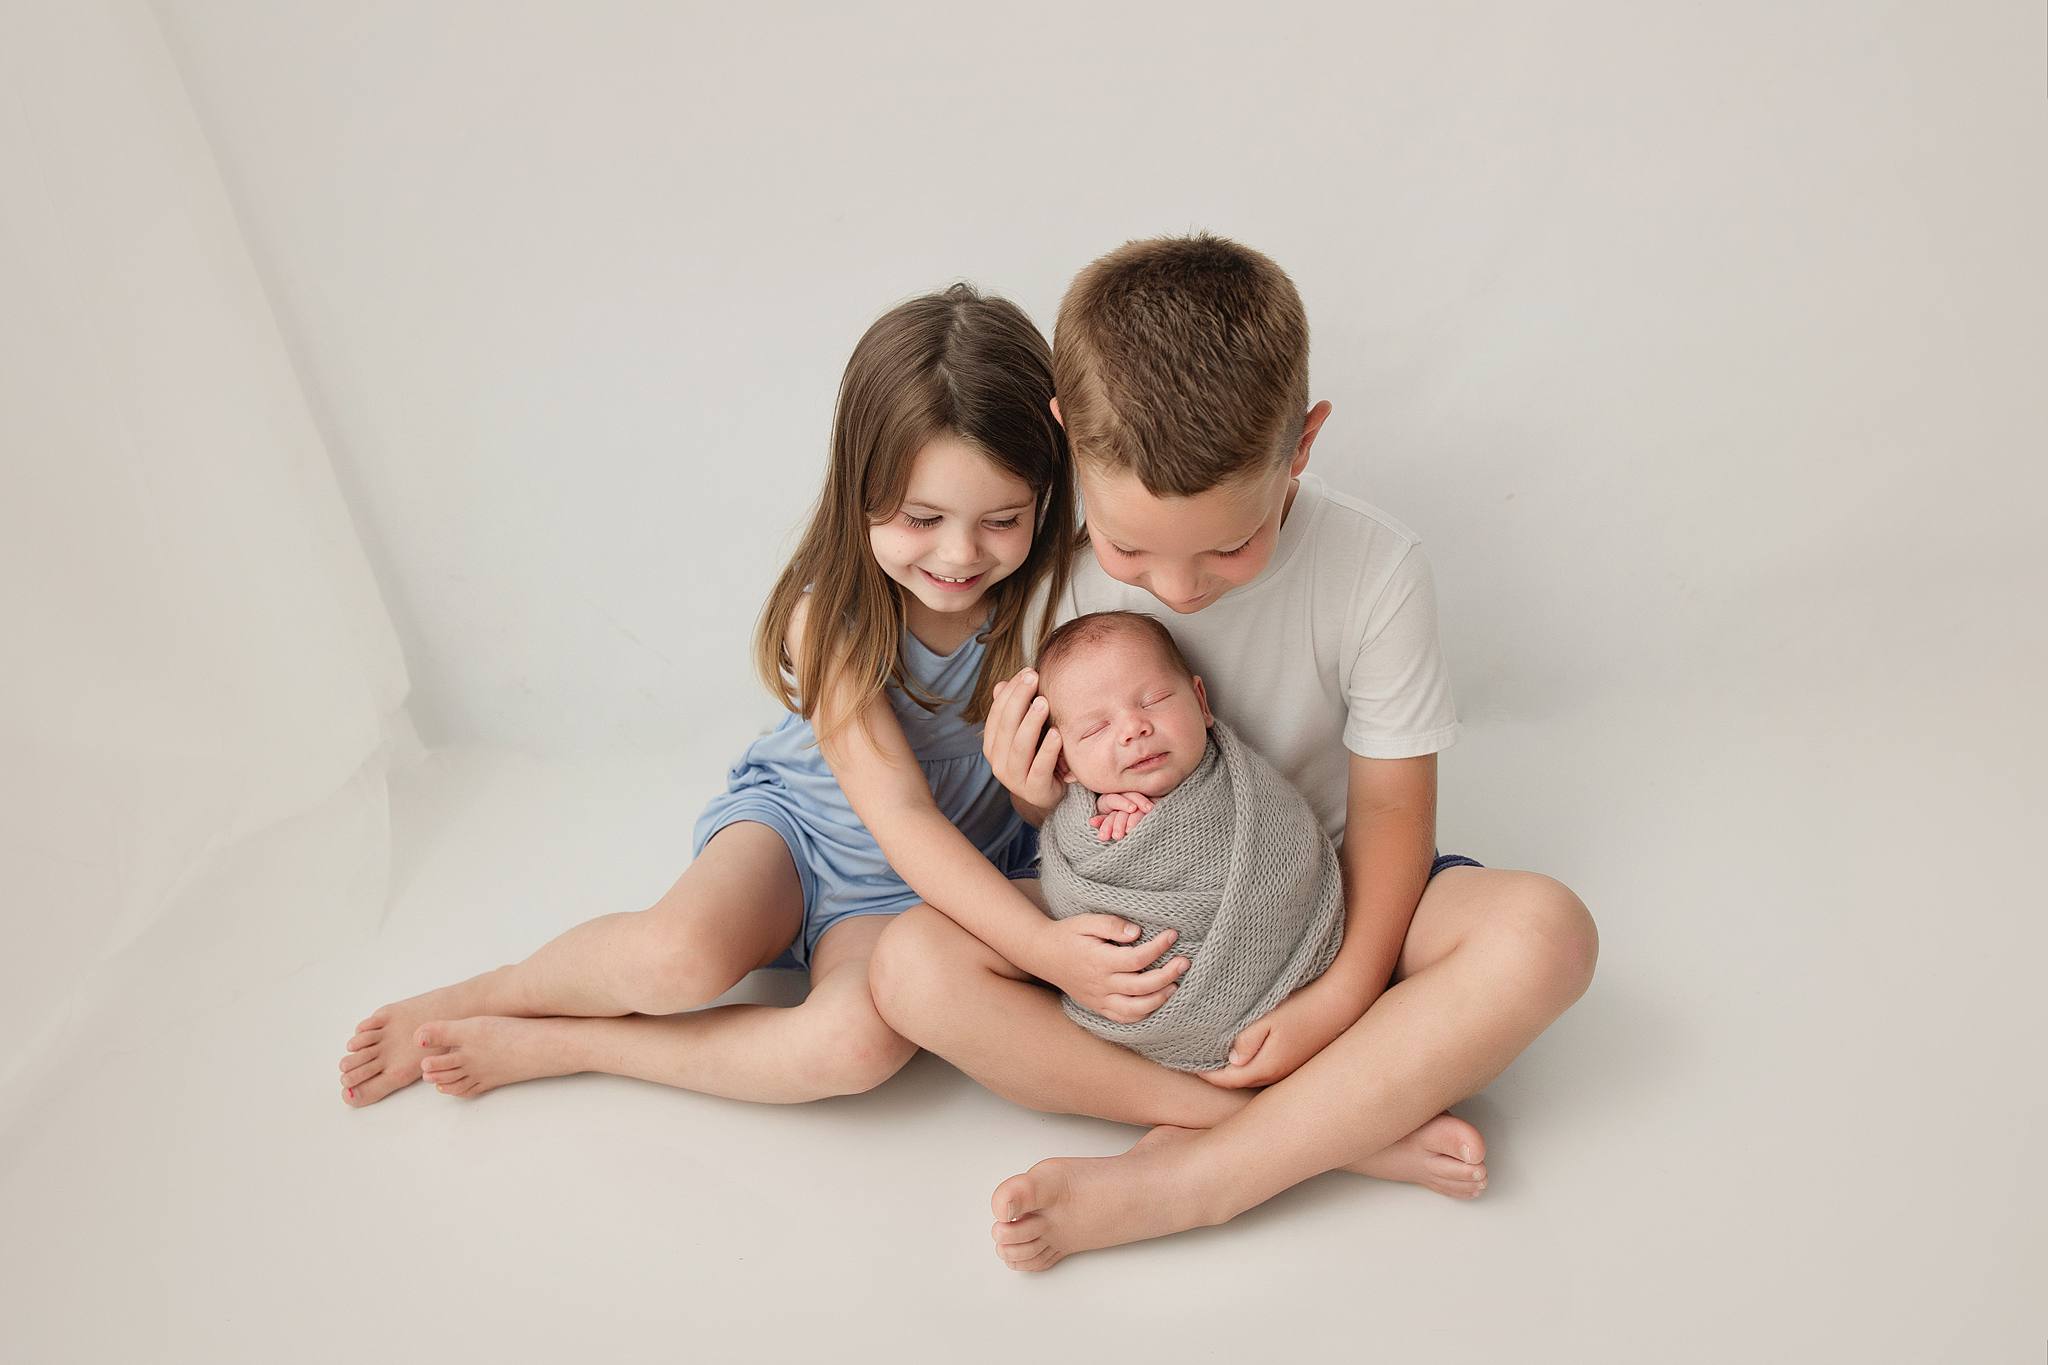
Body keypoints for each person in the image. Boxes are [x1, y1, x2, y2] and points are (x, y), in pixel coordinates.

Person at [868, 234, 1600, 1271]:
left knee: (1544, 933)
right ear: (1067, 436)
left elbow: (1392, 818)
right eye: (1130, 551)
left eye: (1226, 547)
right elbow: (1076, 820)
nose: (1175, 588)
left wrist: (1340, 994)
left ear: (1300, 446)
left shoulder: (1374, 569)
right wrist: (1031, 798)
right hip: (1133, 925)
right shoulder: (1051, 576)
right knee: (908, 965)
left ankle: (1202, 1181)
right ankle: (1295, 1131)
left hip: (1325, 895)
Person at [336, 283, 1082, 1107]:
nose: (959, 553)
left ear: (1044, 499)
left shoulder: (1057, 612)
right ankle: (497, 990)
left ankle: (582, 1045)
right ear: (860, 488)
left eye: (1002, 520)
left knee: (852, 1045)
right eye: (921, 517)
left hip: (929, 891)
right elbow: (898, 812)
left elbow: (1059, 810)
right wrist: (1043, 950)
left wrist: (1035, 798)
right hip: (801, 833)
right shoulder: (830, 618)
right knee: (675, 954)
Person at [1031, 609, 1347, 1075]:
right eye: (1095, 728)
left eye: (1155, 699)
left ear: (1200, 701)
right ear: (1065, 764)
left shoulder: (1253, 793)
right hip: (1151, 1011)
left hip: (1294, 1001)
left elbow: (1294, 864)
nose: (1133, 728)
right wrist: (1102, 831)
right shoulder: (1080, 826)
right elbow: (1069, 898)